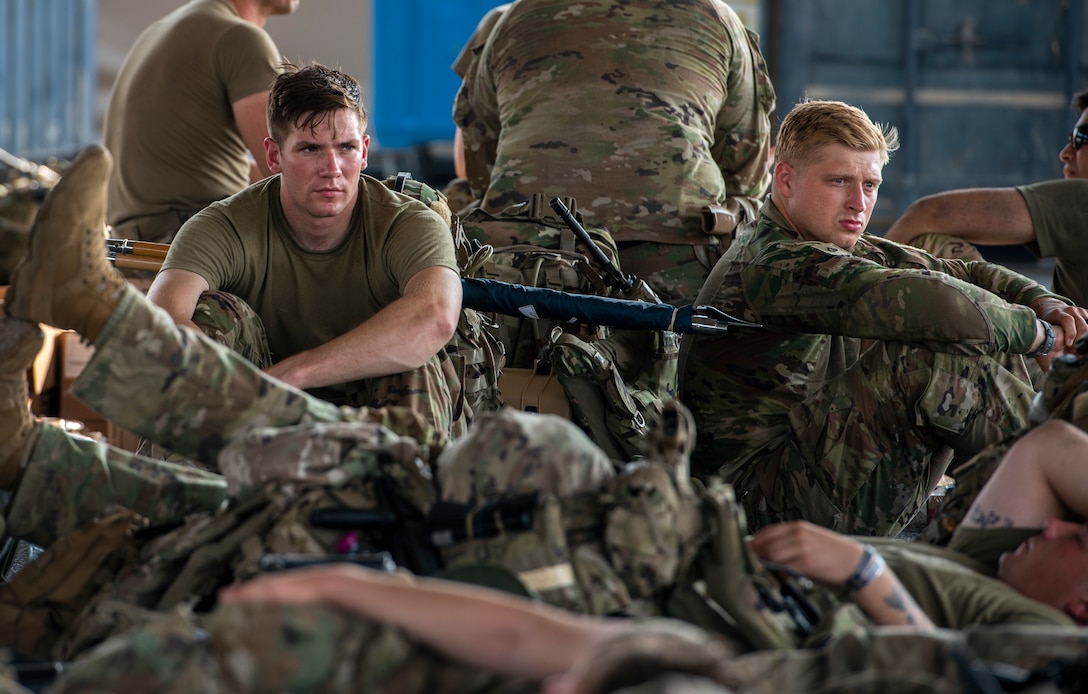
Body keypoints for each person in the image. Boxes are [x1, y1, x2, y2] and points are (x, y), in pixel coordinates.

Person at [40, 421, 1088, 692]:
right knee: (372, 492)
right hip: (668, 597)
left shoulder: (1029, 639)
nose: (1051, 529)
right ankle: (38, 457)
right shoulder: (994, 565)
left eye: (1076, 544)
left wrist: (862, 580)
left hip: (693, 619)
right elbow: (1051, 456)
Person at [682, 99, 1088, 537]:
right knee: (934, 363)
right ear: (786, 180)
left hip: (803, 472)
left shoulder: (833, 241)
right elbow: (939, 306)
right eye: (838, 181)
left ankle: (1049, 488)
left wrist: (1044, 303)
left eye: (870, 185)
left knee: (972, 311)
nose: (859, 202)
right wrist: (1042, 335)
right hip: (753, 504)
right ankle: (1060, 490)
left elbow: (964, 273)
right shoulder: (775, 262)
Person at [145, 62, 467, 436]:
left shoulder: (408, 222)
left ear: (364, 152)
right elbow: (161, 319)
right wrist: (239, 392)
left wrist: (290, 376)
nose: (332, 168)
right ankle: (193, 489)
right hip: (258, 418)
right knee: (211, 315)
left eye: (345, 147)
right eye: (310, 149)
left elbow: (437, 315)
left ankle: (409, 489)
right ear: (273, 155)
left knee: (416, 353)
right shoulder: (226, 225)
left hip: (375, 418)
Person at [453, 0, 776, 305]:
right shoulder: (716, 18)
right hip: (676, 257)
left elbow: (479, 151)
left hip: (530, 256)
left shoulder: (516, 15)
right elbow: (745, 163)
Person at [105, 0, 300, 245]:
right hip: (191, 243)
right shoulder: (241, 37)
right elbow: (292, 175)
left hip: (133, 242)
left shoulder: (162, 30)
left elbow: (205, 167)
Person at [884, 87, 1088, 308]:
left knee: (928, 240)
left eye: (1080, 138)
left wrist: (865, 284)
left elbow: (926, 213)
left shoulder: (1081, 199)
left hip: (1065, 341)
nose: (1066, 152)